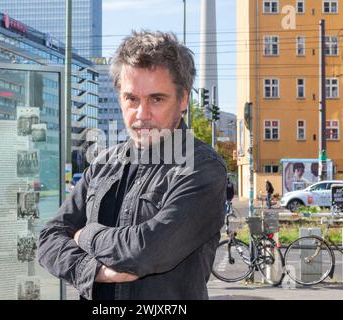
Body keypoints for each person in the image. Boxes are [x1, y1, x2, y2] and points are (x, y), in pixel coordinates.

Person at [38, 31, 227, 300]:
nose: (142, 114)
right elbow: (49, 238)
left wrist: (86, 235)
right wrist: (93, 270)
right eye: (132, 99)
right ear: (120, 98)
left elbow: (146, 250)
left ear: (183, 99)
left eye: (156, 99)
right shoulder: (104, 163)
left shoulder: (201, 169)